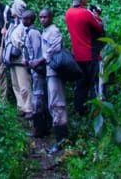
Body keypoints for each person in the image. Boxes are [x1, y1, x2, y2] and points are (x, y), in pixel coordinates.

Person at [64, 0, 105, 115]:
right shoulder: (86, 13)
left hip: (77, 55)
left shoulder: (68, 13)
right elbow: (99, 28)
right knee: (96, 84)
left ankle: (79, 110)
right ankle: (97, 111)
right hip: (90, 54)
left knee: (80, 84)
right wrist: (96, 16)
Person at [39, 8, 68, 153]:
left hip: (55, 71)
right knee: (52, 104)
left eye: (45, 17)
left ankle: (62, 140)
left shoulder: (54, 31)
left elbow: (53, 50)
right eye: (41, 17)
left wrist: (41, 60)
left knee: (57, 104)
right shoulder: (45, 31)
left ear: (51, 17)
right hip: (49, 71)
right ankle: (59, 138)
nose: (42, 20)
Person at [23, 10, 51, 138]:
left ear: (30, 20)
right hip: (34, 69)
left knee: (38, 98)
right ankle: (41, 128)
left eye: (25, 19)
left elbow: (36, 51)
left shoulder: (33, 33)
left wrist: (33, 63)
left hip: (38, 70)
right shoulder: (29, 31)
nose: (23, 21)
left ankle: (40, 129)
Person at [6, 0, 33, 119]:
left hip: (21, 59)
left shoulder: (24, 26)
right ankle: (20, 106)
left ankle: (28, 108)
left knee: (24, 86)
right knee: (15, 85)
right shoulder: (12, 24)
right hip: (12, 59)